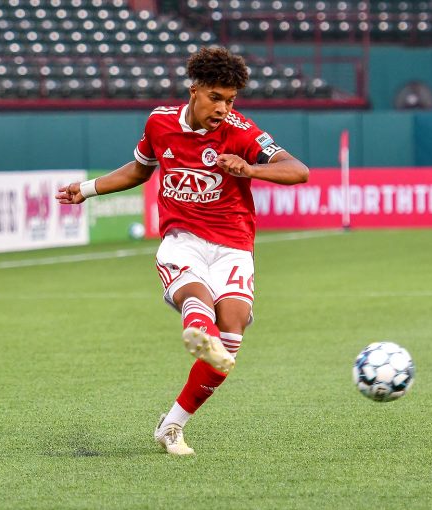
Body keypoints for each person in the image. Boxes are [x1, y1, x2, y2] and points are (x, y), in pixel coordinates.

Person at [56, 47, 309, 456]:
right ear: (194, 91)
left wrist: (250, 169)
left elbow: (298, 170)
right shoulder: (159, 123)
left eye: (230, 100)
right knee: (197, 299)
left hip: (233, 246)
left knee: (230, 338)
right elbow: (139, 169)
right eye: (215, 97)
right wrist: (86, 189)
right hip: (182, 240)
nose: (223, 108)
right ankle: (199, 330)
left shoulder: (242, 132)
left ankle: (171, 425)